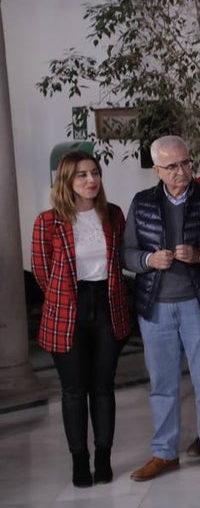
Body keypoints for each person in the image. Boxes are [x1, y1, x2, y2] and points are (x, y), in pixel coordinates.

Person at [122, 136, 200, 483]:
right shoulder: (142, 203)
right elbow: (126, 253)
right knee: (162, 384)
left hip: (199, 304)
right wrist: (147, 260)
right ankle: (164, 453)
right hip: (155, 308)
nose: (181, 171)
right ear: (157, 170)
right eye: (172, 166)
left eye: (186, 163)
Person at [31, 151, 131, 487]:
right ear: (67, 180)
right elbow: (42, 273)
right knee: (73, 390)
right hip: (67, 310)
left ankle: (103, 457)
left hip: (107, 305)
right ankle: (79, 461)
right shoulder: (48, 221)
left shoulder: (113, 215)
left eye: (95, 173)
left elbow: (120, 261)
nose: (91, 180)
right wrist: (64, 298)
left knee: (103, 386)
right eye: (82, 175)